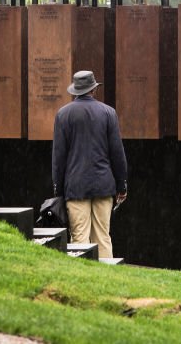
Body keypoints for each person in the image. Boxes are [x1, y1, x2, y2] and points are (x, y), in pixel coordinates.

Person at [51, 70, 128, 259]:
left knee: (79, 238)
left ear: (75, 91)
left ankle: (80, 284)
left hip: (75, 186)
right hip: (104, 184)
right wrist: (121, 185)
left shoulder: (63, 114)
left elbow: (59, 158)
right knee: (103, 237)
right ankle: (108, 283)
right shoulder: (108, 113)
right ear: (94, 90)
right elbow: (117, 154)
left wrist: (58, 190)